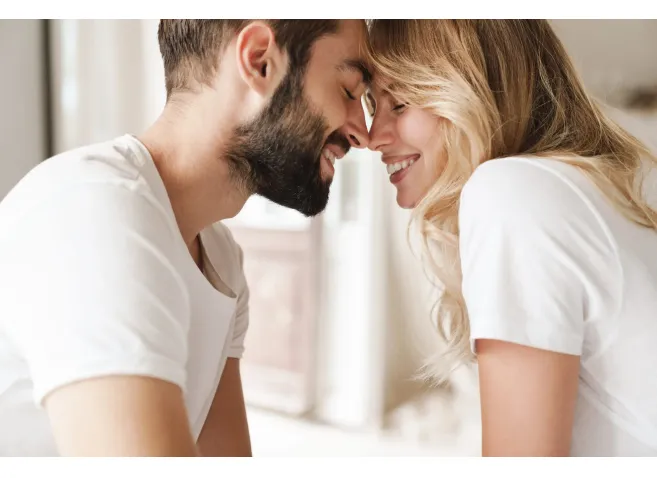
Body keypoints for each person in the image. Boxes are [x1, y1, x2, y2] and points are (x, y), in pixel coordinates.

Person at [0, 19, 371, 457]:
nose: (361, 132)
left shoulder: (221, 261)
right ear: (259, 61)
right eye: (349, 91)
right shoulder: (93, 213)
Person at [364, 19, 657, 456]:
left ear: (473, 91)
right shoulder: (598, 187)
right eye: (372, 106)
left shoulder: (511, 191)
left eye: (400, 104)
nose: (373, 138)